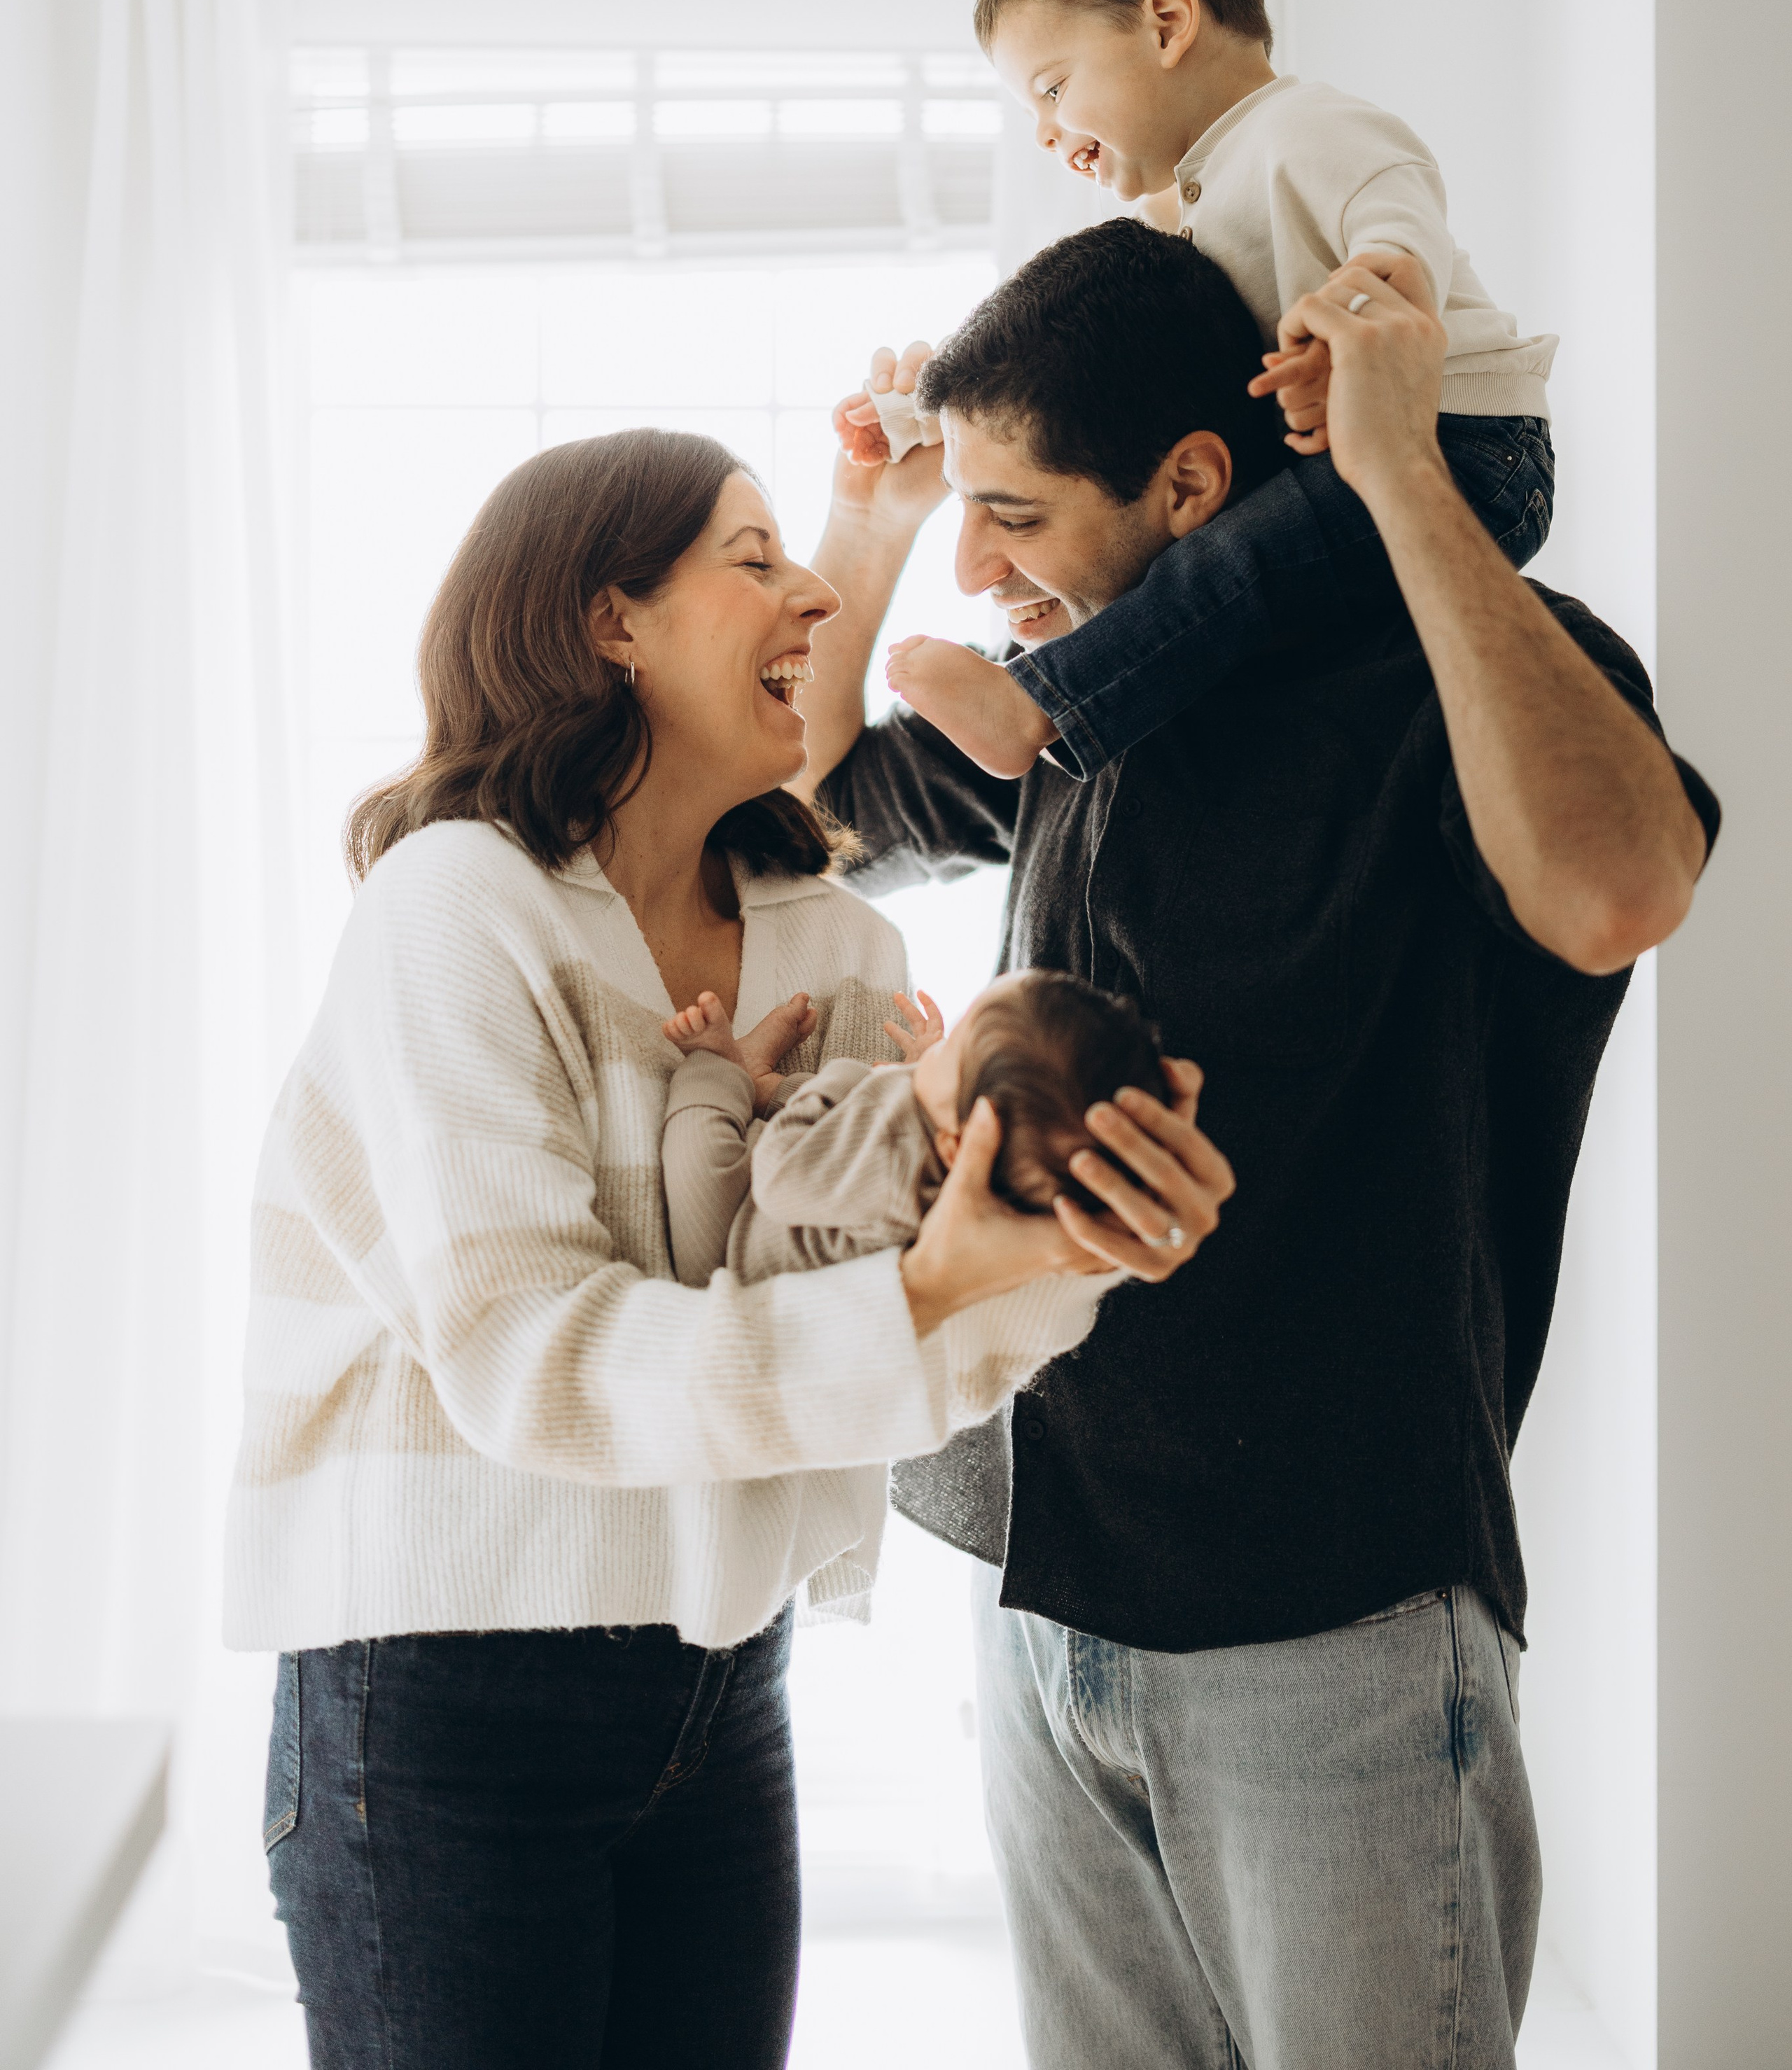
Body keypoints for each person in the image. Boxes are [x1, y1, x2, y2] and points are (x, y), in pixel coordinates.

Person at [796, 224, 1718, 2070]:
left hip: (1339, 1623)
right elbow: (814, 817)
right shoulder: (1078, 706)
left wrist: (1398, 476)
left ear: (1194, 486)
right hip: (1050, 1591)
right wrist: (876, 518)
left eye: (1020, 517)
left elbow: (1623, 888)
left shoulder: (1435, 683)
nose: (983, 572)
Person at [224, 427, 1234, 2070]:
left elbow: (874, 1349)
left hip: (716, 1683)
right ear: (609, 619)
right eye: (753, 555)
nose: (820, 589)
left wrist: (1075, 1245)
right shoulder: (452, 908)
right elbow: (533, 1360)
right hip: (438, 1697)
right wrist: (927, 1290)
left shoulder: (839, 944)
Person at [881, 0, 1560, 783]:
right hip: (1369, 452)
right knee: (1224, 561)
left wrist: (1352, 320)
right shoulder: (1184, 201)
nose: (1044, 132)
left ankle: (1041, 704)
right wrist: (925, 413)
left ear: (1167, 21)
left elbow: (1405, 242)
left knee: (1233, 566)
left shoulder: (1310, 130)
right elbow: (1067, 365)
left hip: (1469, 449)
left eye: (1049, 88)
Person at [657, 970, 1178, 1286]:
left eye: (952, 1052)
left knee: (698, 1161)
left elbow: (780, 1171)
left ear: (958, 1142)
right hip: (811, 1199)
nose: (939, 1049)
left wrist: (845, 1079)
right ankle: (764, 1083)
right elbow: (837, 1142)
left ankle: (726, 1067)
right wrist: (931, 1068)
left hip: (731, 1251)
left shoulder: (897, 1155)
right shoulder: (988, 1169)